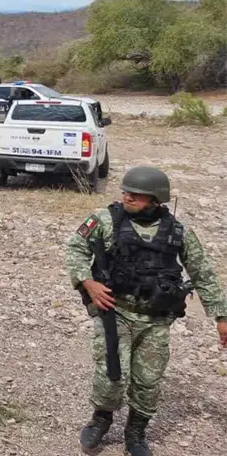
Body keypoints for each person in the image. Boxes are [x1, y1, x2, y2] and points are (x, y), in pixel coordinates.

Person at [65, 166, 227, 456]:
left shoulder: (178, 232)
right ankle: (101, 419)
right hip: (116, 312)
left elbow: (203, 273)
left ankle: (136, 431)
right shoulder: (104, 220)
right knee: (111, 374)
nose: (127, 196)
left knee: (148, 380)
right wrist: (88, 283)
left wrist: (221, 316)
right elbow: (76, 247)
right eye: (125, 191)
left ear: (155, 200)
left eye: (135, 194)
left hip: (156, 320)